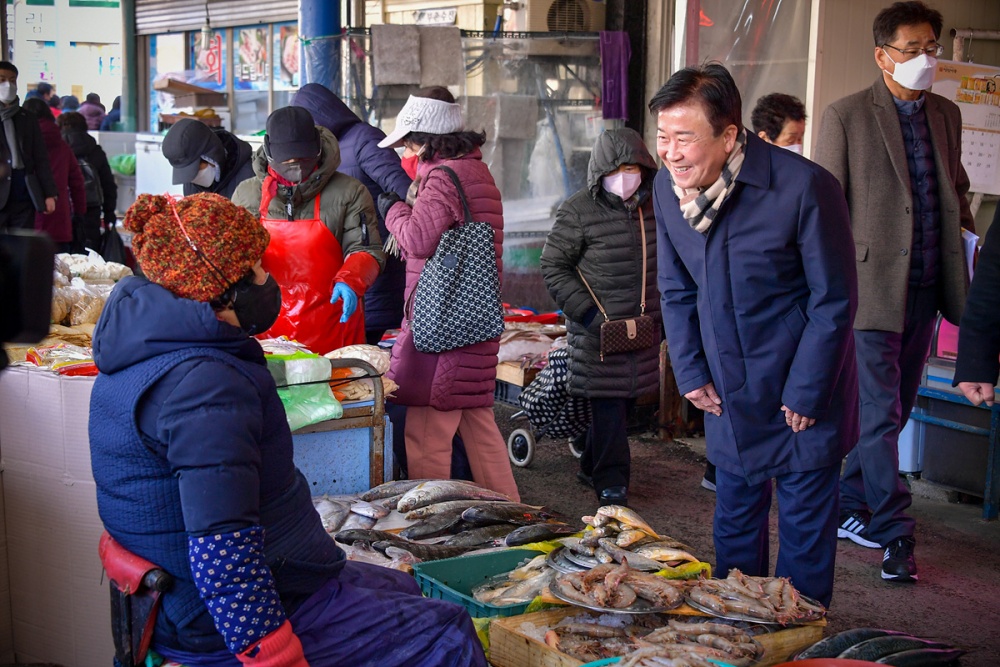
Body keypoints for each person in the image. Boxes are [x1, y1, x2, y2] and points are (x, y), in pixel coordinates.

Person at [89, 192, 487, 667]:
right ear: (219, 289)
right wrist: (272, 654)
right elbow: (222, 548)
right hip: (224, 616)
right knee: (447, 630)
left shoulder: (139, 345)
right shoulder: (204, 385)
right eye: (257, 269)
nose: (268, 279)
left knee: (402, 583)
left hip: (231, 583)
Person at [652, 63, 858, 607]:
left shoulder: (805, 187)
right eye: (663, 137)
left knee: (802, 545)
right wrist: (691, 372)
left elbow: (834, 299)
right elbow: (674, 289)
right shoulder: (667, 189)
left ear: (728, 134)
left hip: (799, 391)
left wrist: (808, 390)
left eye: (684, 138)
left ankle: (799, 643)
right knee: (735, 531)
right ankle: (738, 635)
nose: (671, 152)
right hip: (727, 390)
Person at [814, 0, 974, 583]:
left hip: (930, 288)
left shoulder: (947, 115)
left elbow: (956, 191)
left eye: (933, 46)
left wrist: (968, 247)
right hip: (869, 292)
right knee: (881, 413)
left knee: (895, 409)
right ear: (882, 55)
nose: (927, 58)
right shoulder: (846, 116)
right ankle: (896, 533)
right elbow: (825, 215)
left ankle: (848, 503)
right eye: (914, 49)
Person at [377, 93, 520, 501]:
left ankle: (433, 521)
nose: (405, 150)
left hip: (442, 326)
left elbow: (418, 239)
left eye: (408, 142)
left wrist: (391, 209)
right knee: (480, 429)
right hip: (473, 318)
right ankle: (515, 513)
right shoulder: (476, 170)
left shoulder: (442, 177)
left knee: (427, 435)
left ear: (425, 141)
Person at [540, 128, 660, 507]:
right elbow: (554, 265)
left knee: (623, 403)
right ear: (602, 170)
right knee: (608, 403)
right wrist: (588, 314)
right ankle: (612, 483)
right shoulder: (578, 210)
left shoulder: (657, 207)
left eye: (634, 167)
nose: (627, 175)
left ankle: (591, 464)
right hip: (596, 329)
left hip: (642, 327)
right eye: (619, 168)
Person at [232, 106, 384, 355]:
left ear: (317, 149)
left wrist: (352, 279)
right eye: (287, 161)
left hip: (334, 323)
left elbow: (366, 248)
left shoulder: (350, 192)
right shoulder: (247, 195)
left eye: (303, 159)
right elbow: (234, 259)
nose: (295, 167)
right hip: (265, 330)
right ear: (270, 152)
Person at [291, 83, 410, 345]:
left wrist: (386, 222)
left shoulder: (363, 139)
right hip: (346, 269)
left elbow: (402, 189)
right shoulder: (321, 153)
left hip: (374, 261)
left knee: (361, 351)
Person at [0, 62, 57, 231]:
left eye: (12, 80)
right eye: (1, 80)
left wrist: (49, 193)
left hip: (24, 195)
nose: (7, 85)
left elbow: (41, 158)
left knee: (22, 250)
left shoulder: (27, 118)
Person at [22, 98, 85, 252]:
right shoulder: (63, 146)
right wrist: (79, 213)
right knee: (61, 273)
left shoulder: (21, 144)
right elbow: (77, 183)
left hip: (27, 221)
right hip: (59, 221)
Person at [55, 111, 118, 252]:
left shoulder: (57, 150)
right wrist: (109, 213)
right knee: (89, 254)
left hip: (62, 209)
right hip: (91, 210)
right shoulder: (95, 150)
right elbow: (108, 185)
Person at [163, 118, 255, 200]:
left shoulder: (250, 176)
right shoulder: (190, 182)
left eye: (196, 170)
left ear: (210, 157)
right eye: (187, 173)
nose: (193, 178)